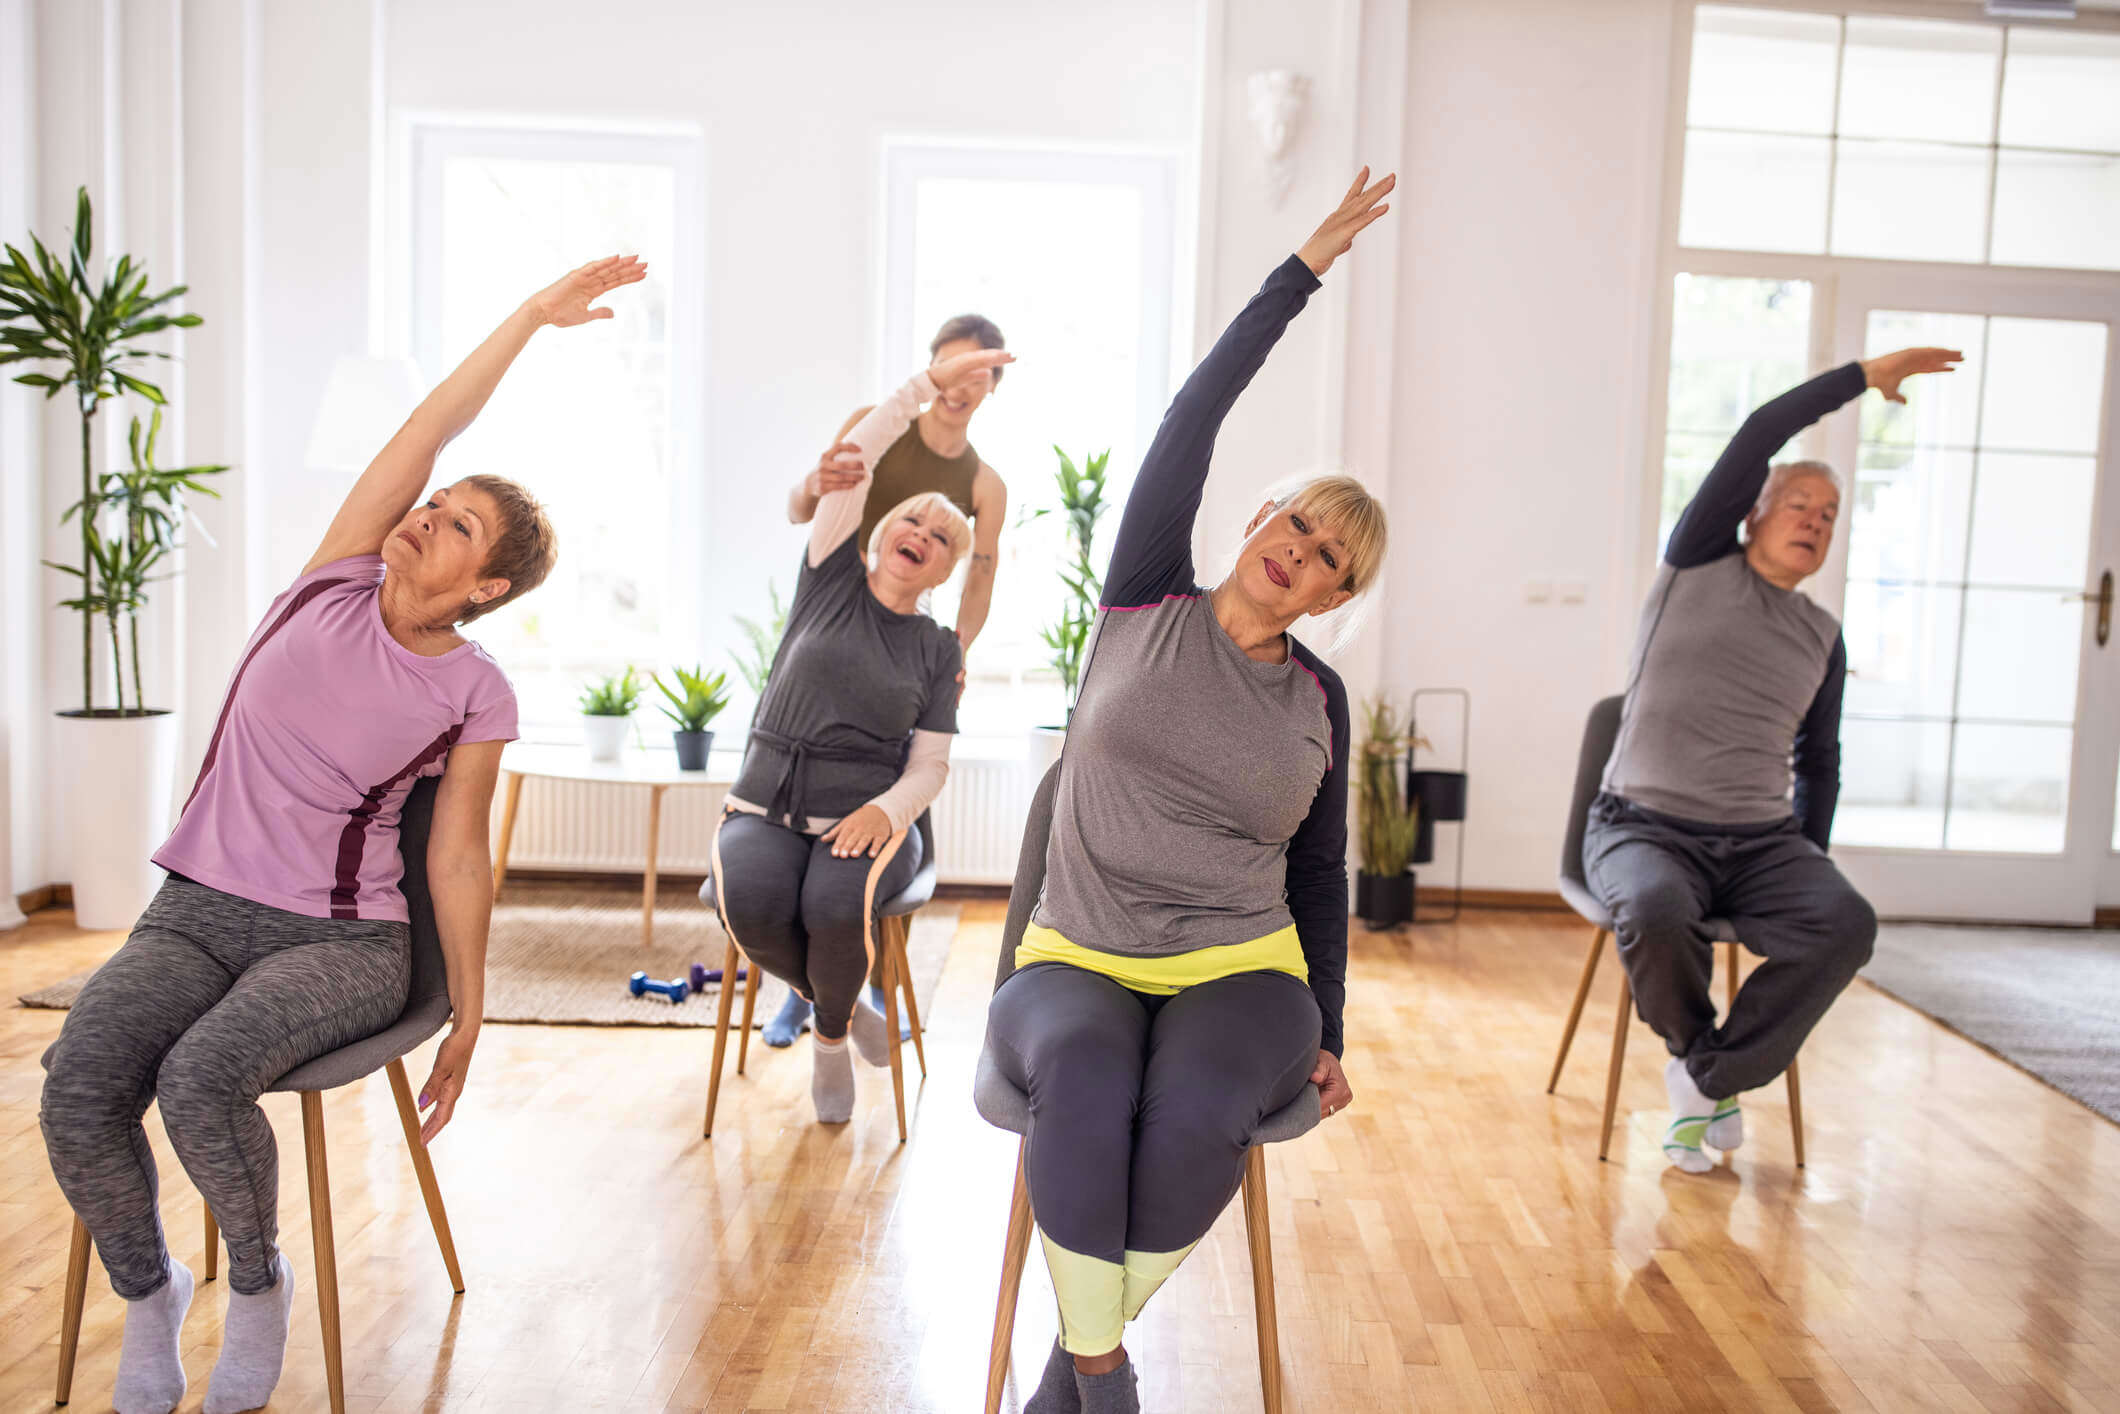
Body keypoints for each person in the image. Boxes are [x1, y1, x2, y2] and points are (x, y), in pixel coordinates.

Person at [38, 255, 640, 1414]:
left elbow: (457, 855)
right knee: (79, 1083)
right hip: (197, 907)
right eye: (433, 502)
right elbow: (427, 424)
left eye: (456, 523)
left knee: (201, 1080)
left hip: (339, 938)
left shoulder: (475, 688)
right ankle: (150, 1291)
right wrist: (525, 314)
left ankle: (258, 1291)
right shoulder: (333, 581)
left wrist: (470, 1008)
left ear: (486, 583)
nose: (425, 516)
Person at [984, 171, 1393, 1414]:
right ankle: (1101, 1373)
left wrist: (1326, 1023)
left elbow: (1319, 873)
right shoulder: (1143, 597)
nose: (1301, 550)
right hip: (1077, 953)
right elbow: (1192, 415)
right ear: (1262, 512)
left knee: (1202, 1106)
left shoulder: (1317, 702)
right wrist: (1301, 272)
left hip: (1240, 964)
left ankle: (1076, 1363)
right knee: (1088, 1085)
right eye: (1300, 521)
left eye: (1330, 557)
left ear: (1331, 597)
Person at [1585, 342, 1960, 1174]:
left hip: (1759, 844)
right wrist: (1862, 379)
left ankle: (1704, 1075)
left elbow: (1818, 762)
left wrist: (1809, 865)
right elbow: (1759, 430)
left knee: (1846, 925)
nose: (1814, 521)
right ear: (1754, 514)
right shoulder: (1695, 563)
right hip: (1643, 827)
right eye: (1799, 503)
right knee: (1653, 909)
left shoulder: (1823, 637)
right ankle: (1700, 1066)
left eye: (1829, 517)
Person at [710, 345, 1013, 1125]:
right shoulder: (829, 571)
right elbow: (863, 451)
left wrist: (888, 813)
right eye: (912, 518)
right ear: (880, 533)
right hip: (767, 802)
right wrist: (927, 386)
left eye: (943, 537)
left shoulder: (939, 648)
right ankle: (836, 1007)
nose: (924, 532)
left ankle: (829, 1040)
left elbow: (932, 764)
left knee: (837, 913)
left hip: (868, 815)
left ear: (945, 570)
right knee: (748, 903)